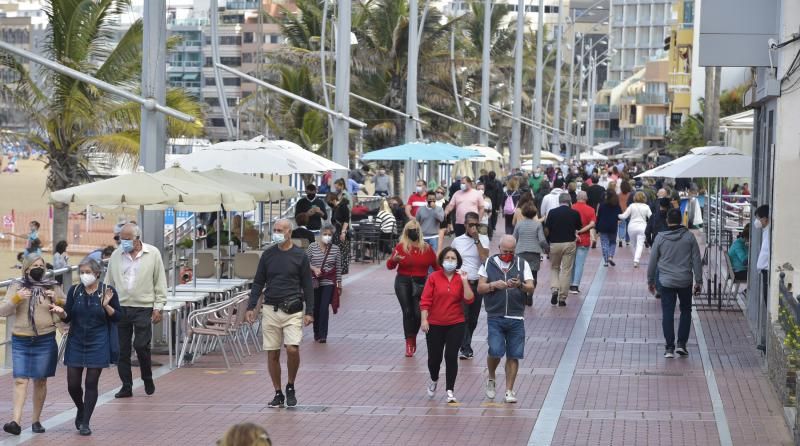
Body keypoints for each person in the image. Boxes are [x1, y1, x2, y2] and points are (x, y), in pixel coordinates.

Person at [246, 219, 314, 408]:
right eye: (274, 230)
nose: (276, 233)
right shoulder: (268, 255)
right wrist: (252, 307)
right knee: (272, 353)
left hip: (293, 309)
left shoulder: (300, 256)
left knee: (292, 348)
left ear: (289, 232)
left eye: (280, 230)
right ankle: (278, 392)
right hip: (270, 308)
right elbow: (258, 282)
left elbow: (308, 285)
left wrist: (310, 311)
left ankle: (290, 384)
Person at [1, 254, 66, 435]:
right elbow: (3, 311)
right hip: (21, 338)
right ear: (27, 268)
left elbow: (67, 310)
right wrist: (17, 298)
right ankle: (15, 421)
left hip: (45, 338)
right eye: (34, 265)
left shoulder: (52, 286)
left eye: (41, 265)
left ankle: (36, 420)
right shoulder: (16, 286)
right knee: (20, 380)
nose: (38, 268)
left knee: (40, 380)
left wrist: (57, 300)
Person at [58, 257, 121, 436]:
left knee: (91, 383)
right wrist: (62, 313)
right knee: (72, 384)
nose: (85, 276)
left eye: (88, 272)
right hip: (76, 341)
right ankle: (81, 408)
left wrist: (107, 306)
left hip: (98, 341)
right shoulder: (75, 290)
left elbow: (118, 317)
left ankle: (85, 422)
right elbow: (68, 316)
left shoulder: (107, 291)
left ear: (97, 273)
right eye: (82, 272)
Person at [105, 223, 167, 399]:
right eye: (120, 238)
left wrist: (158, 306)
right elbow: (109, 281)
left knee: (141, 345)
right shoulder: (116, 255)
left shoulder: (153, 253)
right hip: (120, 307)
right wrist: (106, 304)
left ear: (137, 238)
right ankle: (126, 386)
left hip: (143, 307)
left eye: (126, 239)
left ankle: (147, 377)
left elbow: (160, 281)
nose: (123, 242)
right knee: (122, 350)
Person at [477, 236, 535, 403]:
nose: (508, 254)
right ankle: (491, 376)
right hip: (495, 315)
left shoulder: (522, 264)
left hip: (516, 316)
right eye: (505, 251)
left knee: (514, 354)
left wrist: (520, 285)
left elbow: (531, 287)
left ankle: (509, 390)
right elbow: (480, 287)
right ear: (499, 248)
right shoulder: (489, 263)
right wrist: (493, 285)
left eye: (511, 251)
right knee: (495, 350)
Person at [420, 247, 475, 403]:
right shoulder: (433, 277)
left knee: (451, 357)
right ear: (442, 260)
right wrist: (424, 320)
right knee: (434, 359)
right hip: (435, 324)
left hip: (455, 323)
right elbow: (425, 301)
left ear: (458, 262)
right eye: (448, 258)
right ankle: (434, 379)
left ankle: (450, 390)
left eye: (453, 258)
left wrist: (464, 282)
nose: (450, 261)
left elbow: (470, 299)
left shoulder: (461, 278)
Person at [647, 209, 702, 358]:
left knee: (668, 313)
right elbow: (697, 259)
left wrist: (650, 281)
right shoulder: (689, 237)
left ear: (667, 221)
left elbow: (652, 261)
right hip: (685, 280)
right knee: (685, 311)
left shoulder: (660, 238)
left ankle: (669, 347)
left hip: (666, 282)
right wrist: (699, 281)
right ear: (681, 221)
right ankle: (682, 345)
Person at [387, 220, 439, 357]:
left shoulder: (426, 248)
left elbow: (437, 266)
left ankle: (412, 335)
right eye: (410, 229)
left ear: (419, 231)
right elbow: (389, 265)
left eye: (415, 229)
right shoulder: (401, 247)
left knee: (418, 313)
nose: (413, 231)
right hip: (403, 282)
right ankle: (409, 342)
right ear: (406, 232)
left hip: (421, 283)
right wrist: (394, 260)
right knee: (408, 311)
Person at [450, 212, 490, 360]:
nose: (473, 227)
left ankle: (466, 344)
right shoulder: (457, 241)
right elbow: (451, 259)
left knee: (473, 319)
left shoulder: (483, 239)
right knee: (463, 316)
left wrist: (477, 240)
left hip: (477, 283)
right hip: (462, 283)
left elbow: (484, 258)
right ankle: (465, 348)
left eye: (476, 225)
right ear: (465, 225)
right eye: (471, 224)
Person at [544, 193, 582, 306]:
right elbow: (579, 226)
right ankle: (562, 298)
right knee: (566, 270)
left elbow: (547, 228)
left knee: (554, 268)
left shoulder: (552, 212)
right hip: (569, 243)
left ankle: (555, 289)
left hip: (555, 243)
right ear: (570, 201)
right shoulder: (574, 213)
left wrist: (548, 242)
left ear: (559, 201)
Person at [306, 224, 342, 343]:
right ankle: (316, 332)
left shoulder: (335, 249)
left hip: (328, 281)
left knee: (324, 307)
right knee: (315, 307)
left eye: (329, 235)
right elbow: (305, 263)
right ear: (320, 235)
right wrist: (314, 268)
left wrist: (339, 284)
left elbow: (338, 268)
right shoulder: (312, 247)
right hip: (314, 281)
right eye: (325, 234)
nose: (327, 237)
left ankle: (323, 335)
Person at [513, 203, 548, 292]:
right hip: (534, 252)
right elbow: (542, 240)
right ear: (534, 213)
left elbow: (514, 238)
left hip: (521, 251)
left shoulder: (519, 224)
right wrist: (547, 249)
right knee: (533, 274)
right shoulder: (538, 224)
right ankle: (530, 293)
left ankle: (524, 293)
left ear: (523, 212)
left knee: (522, 273)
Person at [570, 191, 597, 294]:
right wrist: (581, 231)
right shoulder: (591, 210)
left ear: (577, 198)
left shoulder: (571, 207)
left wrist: (575, 231)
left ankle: (569, 283)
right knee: (579, 264)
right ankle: (575, 286)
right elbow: (592, 224)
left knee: (571, 263)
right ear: (586, 198)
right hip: (584, 239)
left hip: (571, 238)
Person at [618, 191, 653, 268]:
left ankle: (635, 258)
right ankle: (636, 260)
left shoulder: (631, 206)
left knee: (633, 244)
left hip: (632, 227)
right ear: (644, 198)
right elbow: (651, 217)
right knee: (640, 244)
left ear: (635, 198)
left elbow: (624, 216)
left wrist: (617, 215)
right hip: (643, 227)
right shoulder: (646, 207)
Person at [326, 192, 352, 275]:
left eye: (329, 201)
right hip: (335, 234)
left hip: (341, 233)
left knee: (341, 255)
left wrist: (343, 232)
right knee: (334, 255)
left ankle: (338, 277)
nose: (329, 203)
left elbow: (346, 220)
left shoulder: (343, 206)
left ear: (333, 199)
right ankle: (335, 275)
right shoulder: (335, 208)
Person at [596, 191, 622, 267]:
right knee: (613, 242)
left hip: (603, 226)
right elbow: (619, 216)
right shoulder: (617, 205)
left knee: (604, 243)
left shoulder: (602, 205)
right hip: (613, 226)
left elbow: (599, 216)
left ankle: (606, 261)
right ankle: (610, 256)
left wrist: (597, 228)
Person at [617, 180, 632, 247]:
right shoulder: (631, 194)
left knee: (621, 226)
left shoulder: (619, 195)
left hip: (621, 212)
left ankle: (620, 239)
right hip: (629, 212)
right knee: (628, 227)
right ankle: (627, 241)